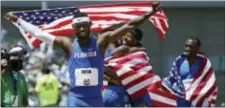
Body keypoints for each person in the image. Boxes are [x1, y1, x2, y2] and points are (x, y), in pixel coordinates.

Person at [6, 2, 161, 106]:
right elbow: (40, 34)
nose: (82, 29)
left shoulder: (101, 42)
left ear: (90, 26)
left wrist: (149, 13)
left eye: (84, 26)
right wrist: (18, 21)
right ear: (74, 28)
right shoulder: (68, 44)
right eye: (78, 26)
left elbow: (129, 26)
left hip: (95, 100)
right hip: (76, 100)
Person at [162, 37, 218, 107]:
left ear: (197, 49)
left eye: (191, 47)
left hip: (199, 97)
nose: (187, 49)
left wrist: (193, 93)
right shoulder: (179, 60)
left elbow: (210, 82)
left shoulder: (204, 62)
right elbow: (172, 78)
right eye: (186, 46)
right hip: (181, 97)